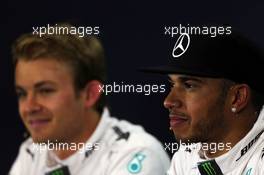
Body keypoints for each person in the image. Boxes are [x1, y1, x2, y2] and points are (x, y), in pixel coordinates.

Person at [9, 23, 170, 175]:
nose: (28, 107)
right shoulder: (31, 151)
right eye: (22, 93)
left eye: (45, 90)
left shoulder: (137, 154)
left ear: (90, 94)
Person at [142, 32, 264, 174]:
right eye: (172, 85)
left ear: (237, 97)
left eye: (189, 85)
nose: (168, 101)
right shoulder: (187, 155)